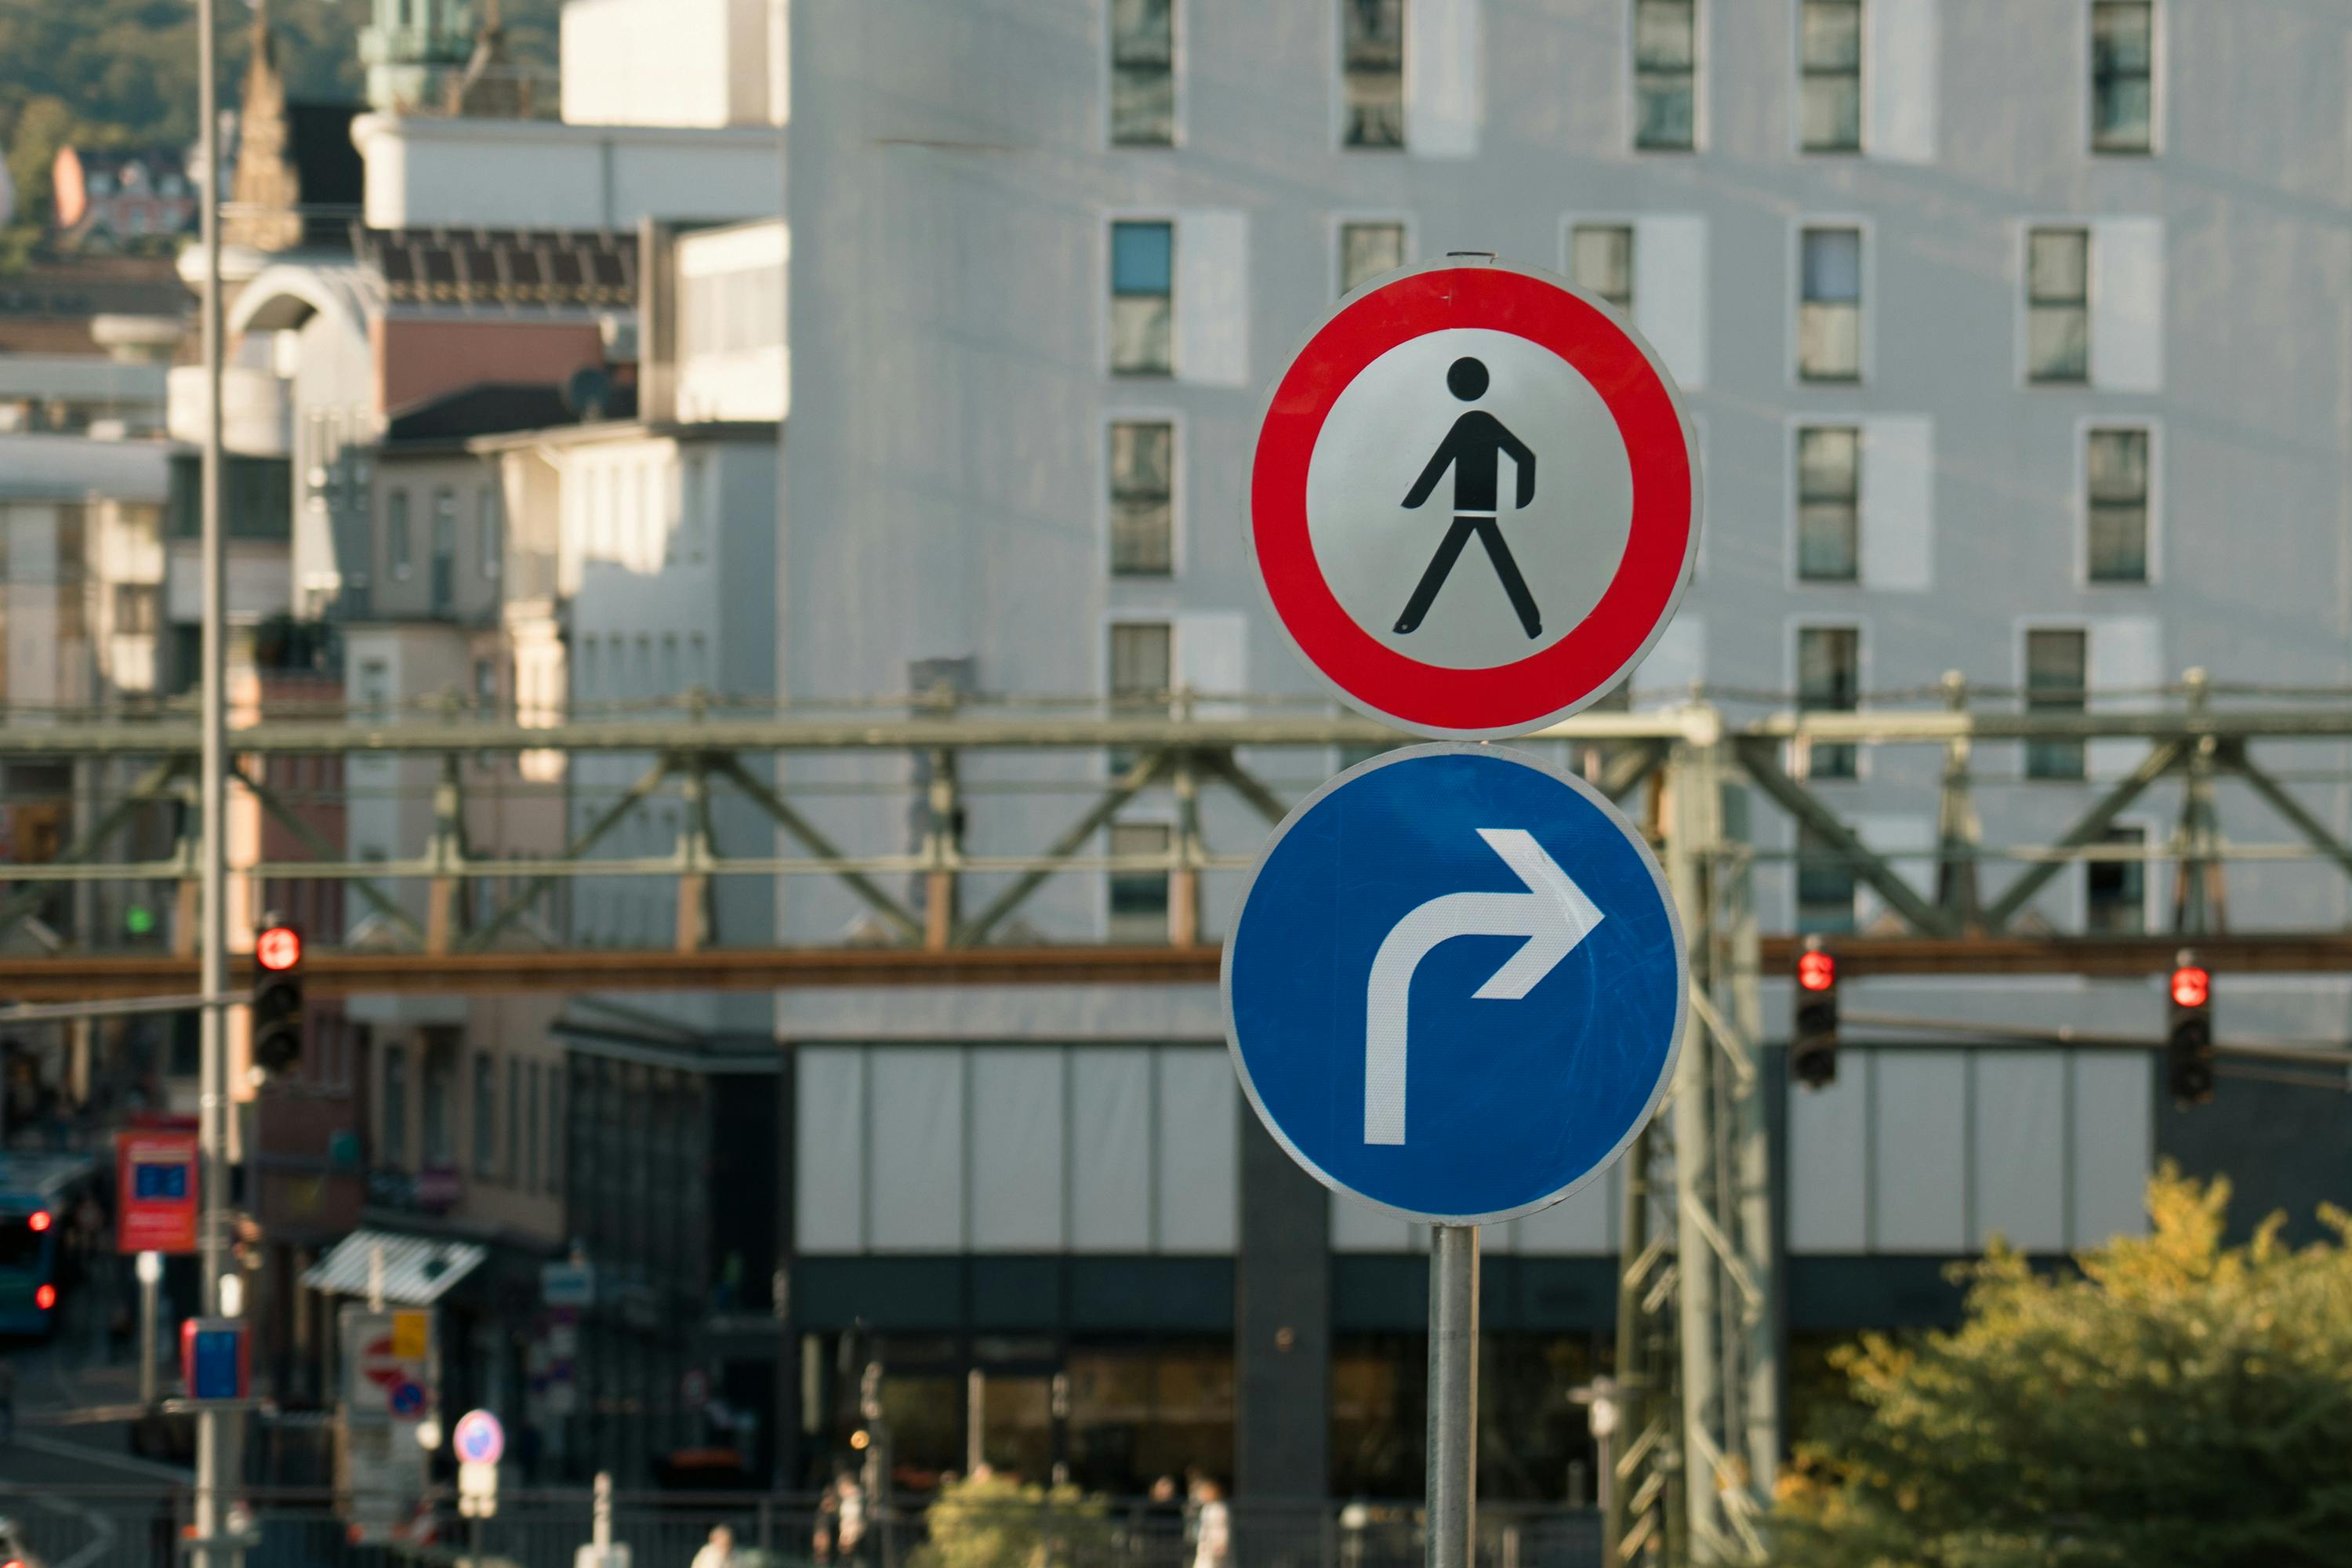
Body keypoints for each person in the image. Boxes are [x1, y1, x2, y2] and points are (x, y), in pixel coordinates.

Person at [1396, 354, 1542, 639]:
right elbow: (1525, 458)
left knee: (1446, 564)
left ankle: (1408, 622)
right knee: (1496, 564)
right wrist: (1522, 498)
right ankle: (1532, 626)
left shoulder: (1470, 424)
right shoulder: (1484, 423)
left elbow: (1439, 463)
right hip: (1480, 512)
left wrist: (1416, 499)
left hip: (1469, 512)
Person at [1189, 1477, 1229, 1568]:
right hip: (1206, 1549)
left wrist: (1220, 1543)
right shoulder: (1207, 1508)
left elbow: (1220, 1527)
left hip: (1214, 1548)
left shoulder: (1217, 1508)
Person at [835, 1472, 869, 1568]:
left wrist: (847, 1537)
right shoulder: (851, 1500)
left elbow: (853, 1519)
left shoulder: (854, 1500)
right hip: (850, 1535)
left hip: (853, 1534)